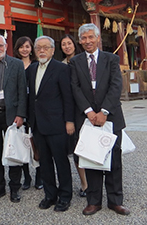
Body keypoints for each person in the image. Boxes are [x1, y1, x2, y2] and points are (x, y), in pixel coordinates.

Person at [69, 23, 130, 216]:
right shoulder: (76, 62)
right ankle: (93, 201)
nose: (87, 41)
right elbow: (75, 87)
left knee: (114, 158)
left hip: (110, 116)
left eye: (91, 37)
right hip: (86, 117)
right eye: (84, 38)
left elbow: (115, 85)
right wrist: (88, 111)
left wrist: (104, 111)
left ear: (98, 38)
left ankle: (115, 200)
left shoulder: (111, 59)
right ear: (80, 41)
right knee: (91, 157)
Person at [26, 36, 74, 212]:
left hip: (57, 124)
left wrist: (69, 121)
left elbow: (68, 97)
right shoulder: (31, 69)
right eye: (38, 48)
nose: (42, 51)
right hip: (38, 124)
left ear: (53, 50)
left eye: (46, 47)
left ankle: (65, 196)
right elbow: (32, 97)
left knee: (61, 161)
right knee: (44, 162)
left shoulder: (61, 69)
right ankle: (50, 195)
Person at [0, 34, 27, 203]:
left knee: (13, 152)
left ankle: (15, 187)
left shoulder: (16, 64)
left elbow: (22, 91)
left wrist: (21, 114)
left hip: (12, 115)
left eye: (0, 46)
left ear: (6, 45)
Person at [59, 34, 88, 198]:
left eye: (69, 43)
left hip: (83, 109)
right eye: (63, 44)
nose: (67, 46)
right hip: (68, 110)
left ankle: (94, 181)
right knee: (76, 148)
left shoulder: (83, 61)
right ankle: (84, 183)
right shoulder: (61, 65)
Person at [12, 36, 42, 191]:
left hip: (35, 110)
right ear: (17, 49)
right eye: (21, 47)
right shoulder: (14, 65)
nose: (24, 49)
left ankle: (39, 174)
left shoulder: (37, 65)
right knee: (22, 143)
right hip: (19, 109)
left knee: (36, 143)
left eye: (27, 46)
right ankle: (26, 177)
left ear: (32, 49)